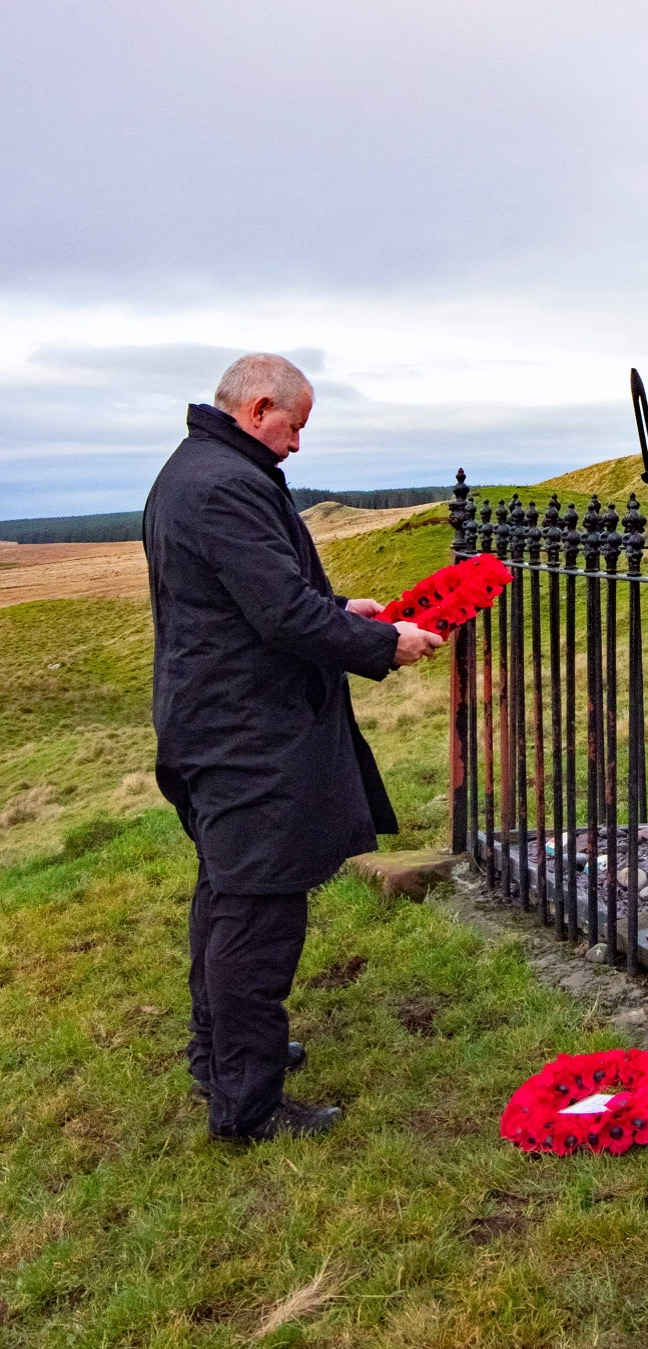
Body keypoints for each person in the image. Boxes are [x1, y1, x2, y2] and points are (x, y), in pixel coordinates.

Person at [143, 353, 443, 1143]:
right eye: (295, 426)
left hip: (218, 723)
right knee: (256, 913)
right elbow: (279, 617)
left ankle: (228, 1055)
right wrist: (385, 643)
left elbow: (249, 597)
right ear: (260, 406)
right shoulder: (225, 484)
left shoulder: (200, 469)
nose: (298, 444)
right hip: (245, 736)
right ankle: (249, 1105)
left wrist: (345, 607)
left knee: (226, 895)